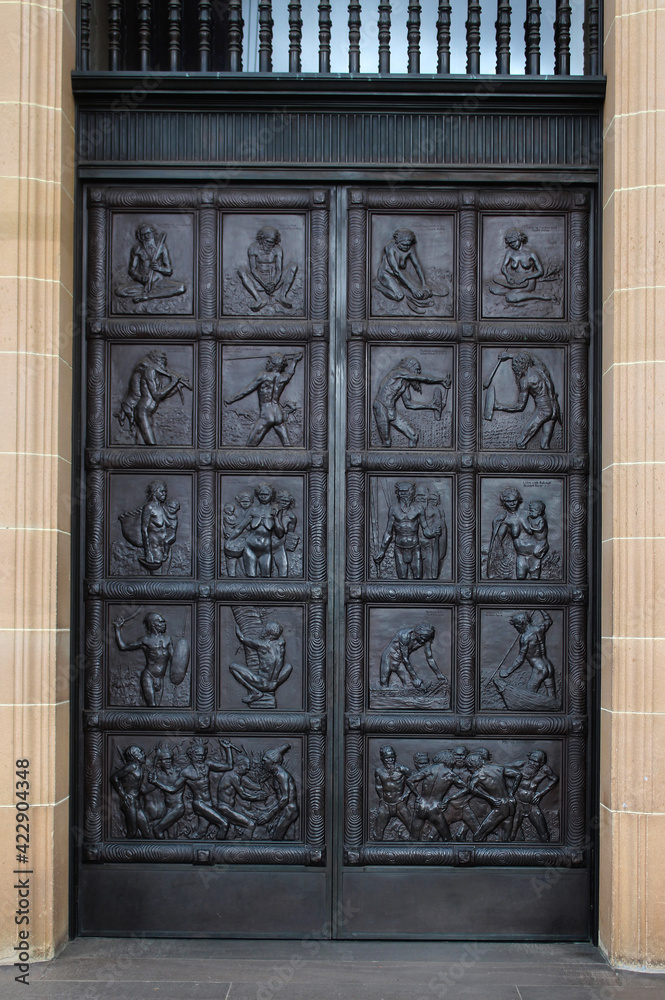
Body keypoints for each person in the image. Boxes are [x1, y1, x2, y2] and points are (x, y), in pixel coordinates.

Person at [157, 740, 255, 840]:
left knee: (200, 833)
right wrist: (157, 782)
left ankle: (190, 850)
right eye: (197, 755)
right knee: (224, 824)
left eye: (202, 755)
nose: (200, 758)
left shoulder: (207, 765)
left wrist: (227, 749)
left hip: (209, 804)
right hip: (199, 803)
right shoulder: (186, 772)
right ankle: (220, 850)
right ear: (191, 755)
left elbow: (228, 766)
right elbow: (174, 788)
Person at [224, 352, 303, 446]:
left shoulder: (264, 376)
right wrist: (294, 361)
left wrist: (232, 398)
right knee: (287, 445)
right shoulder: (283, 378)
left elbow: (247, 390)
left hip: (267, 413)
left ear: (274, 364)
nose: (267, 364)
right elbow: (290, 373)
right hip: (278, 414)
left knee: (250, 445)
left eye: (269, 362)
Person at [114, 350, 191, 445]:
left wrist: (176, 387)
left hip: (148, 413)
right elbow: (157, 396)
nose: (165, 362)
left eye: (165, 360)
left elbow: (163, 395)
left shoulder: (156, 374)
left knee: (142, 447)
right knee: (152, 444)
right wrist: (172, 383)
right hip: (143, 412)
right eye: (162, 360)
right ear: (155, 360)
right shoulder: (150, 371)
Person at [372, 357, 451, 448]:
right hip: (381, 407)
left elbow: (409, 404)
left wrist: (430, 405)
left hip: (391, 410)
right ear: (410, 366)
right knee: (386, 442)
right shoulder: (399, 372)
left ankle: (411, 460)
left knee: (413, 436)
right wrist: (441, 380)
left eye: (419, 371)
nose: (418, 373)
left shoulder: (405, 384)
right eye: (417, 369)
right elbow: (421, 378)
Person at [491, 353, 561, 450]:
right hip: (554, 408)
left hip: (543, 410)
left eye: (515, 366)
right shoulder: (540, 368)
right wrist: (509, 355)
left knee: (520, 443)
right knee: (544, 446)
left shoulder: (526, 381)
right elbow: (533, 357)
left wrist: (499, 406)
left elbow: (520, 406)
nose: (514, 369)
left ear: (522, 365)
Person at [374, 481, 441, 580]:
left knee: (418, 579)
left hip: (415, 548)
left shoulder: (419, 509)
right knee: (402, 580)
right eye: (402, 492)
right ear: (399, 493)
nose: (405, 495)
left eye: (407, 492)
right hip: (399, 549)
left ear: (412, 493)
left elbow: (425, 529)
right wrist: (382, 551)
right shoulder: (393, 509)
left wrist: (433, 533)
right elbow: (388, 533)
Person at [111, 611, 175, 707]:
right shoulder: (145, 640)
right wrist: (117, 629)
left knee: (160, 707)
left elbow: (174, 659)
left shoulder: (168, 639)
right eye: (160, 622)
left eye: (163, 622)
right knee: (152, 706)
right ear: (152, 624)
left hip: (161, 678)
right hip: (149, 676)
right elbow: (123, 647)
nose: (163, 624)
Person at [224, 483, 285, 578]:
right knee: (250, 577)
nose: (263, 497)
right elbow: (240, 527)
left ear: (271, 495)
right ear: (257, 495)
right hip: (250, 547)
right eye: (261, 495)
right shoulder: (253, 510)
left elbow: (280, 533)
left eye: (266, 495)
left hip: (266, 549)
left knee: (266, 576)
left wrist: (276, 518)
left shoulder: (275, 510)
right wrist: (230, 540)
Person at [229, 620, 293, 708]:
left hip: (262, 684)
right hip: (275, 683)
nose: (263, 630)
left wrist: (237, 628)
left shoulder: (261, 644)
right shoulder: (281, 643)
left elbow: (242, 638)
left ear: (268, 632)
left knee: (232, 667)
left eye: (265, 629)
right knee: (289, 666)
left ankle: (254, 691)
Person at [488, 488, 548, 580]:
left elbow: (542, 529)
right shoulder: (503, 519)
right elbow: (498, 540)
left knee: (535, 580)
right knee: (520, 578)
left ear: (518, 500)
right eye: (509, 501)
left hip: (535, 554)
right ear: (504, 502)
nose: (512, 503)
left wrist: (542, 547)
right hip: (521, 555)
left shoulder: (528, 514)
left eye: (514, 500)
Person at [116, 224, 186, 303]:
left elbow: (169, 270)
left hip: (158, 281)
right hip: (142, 283)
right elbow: (132, 269)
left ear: (153, 233)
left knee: (181, 288)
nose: (145, 237)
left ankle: (148, 296)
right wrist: (140, 277)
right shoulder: (137, 249)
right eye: (143, 235)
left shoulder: (161, 247)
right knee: (119, 291)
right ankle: (152, 292)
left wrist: (159, 268)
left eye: (148, 234)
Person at [407, 750, 466, 842]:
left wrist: (417, 795)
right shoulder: (450, 774)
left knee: (413, 838)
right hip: (435, 808)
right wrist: (448, 799)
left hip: (421, 805)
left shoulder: (429, 769)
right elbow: (466, 788)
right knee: (447, 839)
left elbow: (410, 780)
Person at [237, 226, 298, 311]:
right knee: (241, 271)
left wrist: (274, 283)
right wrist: (264, 284)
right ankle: (259, 299)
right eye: (267, 242)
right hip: (258, 281)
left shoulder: (277, 250)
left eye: (272, 243)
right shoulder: (253, 248)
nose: (269, 245)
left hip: (274, 280)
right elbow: (253, 269)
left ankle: (282, 296)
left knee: (293, 267)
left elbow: (279, 270)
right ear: (261, 239)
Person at [467, 751, 522, 843]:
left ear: (473, 765)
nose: (469, 770)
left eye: (469, 767)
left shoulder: (478, 775)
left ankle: (482, 856)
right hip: (511, 803)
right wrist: (511, 793)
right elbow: (518, 774)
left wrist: (490, 798)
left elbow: (471, 789)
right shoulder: (498, 768)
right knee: (506, 838)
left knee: (478, 836)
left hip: (500, 806)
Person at [498, 611, 556, 698]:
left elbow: (520, 659)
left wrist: (508, 671)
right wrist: (541, 609)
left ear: (521, 623)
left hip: (539, 669)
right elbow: (548, 620)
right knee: (552, 696)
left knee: (529, 695)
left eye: (516, 626)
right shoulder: (540, 628)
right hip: (548, 666)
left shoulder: (525, 638)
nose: (516, 628)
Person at [488, 229, 552, 304]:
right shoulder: (510, 253)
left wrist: (525, 277)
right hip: (515, 279)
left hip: (528, 281)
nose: (512, 245)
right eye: (510, 243)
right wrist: (508, 276)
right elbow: (503, 267)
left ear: (520, 239)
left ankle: (538, 296)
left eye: (513, 242)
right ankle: (516, 292)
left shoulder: (531, 253)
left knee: (510, 297)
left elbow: (540, 271)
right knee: (494, 289)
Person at [215, 748, 267, 839]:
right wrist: (258, 797)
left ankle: (222, 847)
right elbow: (243, 794)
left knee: (229, 832)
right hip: (225, 808)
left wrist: (259, 787)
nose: (247, 769)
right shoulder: (232, 776)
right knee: (250, 825)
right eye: (246, 767)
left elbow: (249, 785)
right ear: (240, 765)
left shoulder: (235, 776)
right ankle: (245, 850)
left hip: (228, 808)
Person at [509, 751, 559, 843]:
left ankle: (548, 855)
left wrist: (541, 793)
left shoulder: (545, 770)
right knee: (512, 832)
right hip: (518, 804)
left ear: (541, 763)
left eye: (535, 761)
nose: (532, 763)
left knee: (543, 833)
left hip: (531, 805)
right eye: (531, 760)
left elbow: (554, 779)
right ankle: (505, 854)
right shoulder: (521, 765)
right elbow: (501, 769)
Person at [374, 230, 434, 306]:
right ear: (397, 242)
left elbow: (417, 266)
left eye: (408, 245)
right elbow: (396, 271)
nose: (406, 247)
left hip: (401, 274)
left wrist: (424, 284)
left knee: (420, 291)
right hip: (387, 274)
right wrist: (412, 288)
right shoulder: (390, 247)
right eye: (403, 245)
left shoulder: (410, 248)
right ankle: (378, 286)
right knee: (399, 296)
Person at [379, 623, 445, 691]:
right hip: (389, 657)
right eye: (421, 638)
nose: (423, 641)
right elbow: (405, 658)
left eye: (425, 640)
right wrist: (415, 677)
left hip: (400, 661)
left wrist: (439, 674)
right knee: (384, 682)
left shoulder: (427, 638)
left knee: (409, 685)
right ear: (416, 633)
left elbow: (430, 658)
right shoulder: (404, 635)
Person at [259, 745, 300, 840]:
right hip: (286, 810)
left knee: (276, 838)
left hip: (289, 811)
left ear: (272, 761)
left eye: (264, 761)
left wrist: (269, 814)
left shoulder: (281, 775)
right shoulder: (276, 774)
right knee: (289, 840)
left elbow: (285, 798)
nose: (262, 763)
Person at [373, 745, 412, 841]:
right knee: (377, 833)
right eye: (387, 758)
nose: (390, 760)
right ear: (382, 758)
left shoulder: (403, 770)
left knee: (413, 827)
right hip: (385, 804)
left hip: (399, 804)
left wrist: (406, 795)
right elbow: (379, 787)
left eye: (392, 757)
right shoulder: (379, 771)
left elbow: (415, 782)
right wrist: (381, 799)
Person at [111, 745, 151, 838]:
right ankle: (122, 852)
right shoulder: (132, 766)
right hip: (129, 802)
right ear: (134, 756)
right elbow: (114, 777)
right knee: (132, 832)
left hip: (137, 803)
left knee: (147, 833)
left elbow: (141, 789)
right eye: (140, 752)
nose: (144, 754)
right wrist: (123, 794)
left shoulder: (139, 767)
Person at [148, 743, 186, 839]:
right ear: (160, 761)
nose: (168, 761)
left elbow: (173, 789)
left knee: (157, 830)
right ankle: (172, 853)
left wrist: (156, 782)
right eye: (165, 759)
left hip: (178, 808)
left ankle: (159, 852)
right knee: (172, 837)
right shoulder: (159, 774)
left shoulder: (178, 772)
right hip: (168, 809)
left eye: (169, 759)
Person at [223, 491, 253, 577]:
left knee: (245, 561)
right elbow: (226, 523)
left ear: (251, 501)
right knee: (231, 559)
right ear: (238, 502)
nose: (245, 504)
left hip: (247, 540)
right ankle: (231, 576)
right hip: (234, 540)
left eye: (247, 501)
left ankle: (247, 577)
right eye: (243, 501)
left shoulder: (253, 511)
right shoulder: (233, 511)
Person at [272, 490, 299, 578]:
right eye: (282, 501)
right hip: (265, 544)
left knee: (283, 571)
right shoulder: (270, 512)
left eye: (286, 501)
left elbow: (288, 534)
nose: (284, 503)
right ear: (277, 500)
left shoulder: (291, 517)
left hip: (279, 545)